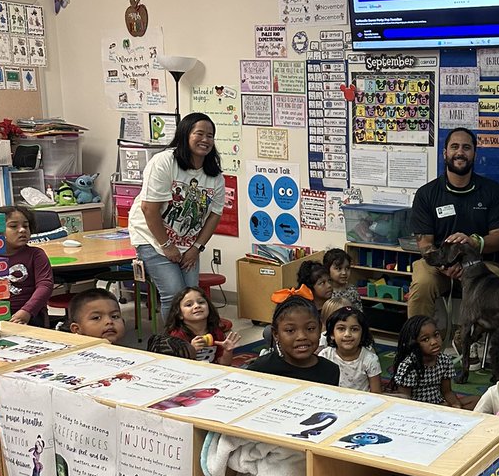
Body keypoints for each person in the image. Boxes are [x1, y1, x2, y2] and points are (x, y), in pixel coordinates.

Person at [128, 113, 225, 319]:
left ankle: (193, 342)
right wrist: (167, 246)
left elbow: (214, 215)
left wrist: (196, 248)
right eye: (199, 133)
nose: (205, 140)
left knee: (192, 297)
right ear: (184, 135)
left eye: (210, 136)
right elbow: (148, 209)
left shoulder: (214, 175)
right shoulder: (164, 161)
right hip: (152, 237)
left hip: (188, 242)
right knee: (174, 295)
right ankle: (174, 346)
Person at [408, 128, 499, 319]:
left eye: (466, 147)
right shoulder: (426, 194)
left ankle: (492, 346)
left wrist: (472, 242)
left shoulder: (492, 190)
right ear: (445, 153)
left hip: (480, 264)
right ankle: (417, 343)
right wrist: (446, 265)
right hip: (438, 265)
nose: (460, 152)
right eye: (454, 147)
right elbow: (425, 244)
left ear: (474, 154)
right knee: (421, 284)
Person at [247, 294, 340, 385]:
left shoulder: (330, 371)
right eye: (290, 330)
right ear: (276, 334)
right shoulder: (262, 368)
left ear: (319, 329)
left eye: (310, 328)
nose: (302, 336)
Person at [390, 315, 461, 407]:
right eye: (426, 339)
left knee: (477, 401)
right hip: (418, 409)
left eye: (436, 335)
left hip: (440, 403)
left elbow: (447, 392)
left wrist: (456, 405)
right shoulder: (408, 366)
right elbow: (405, 401)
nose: (434, 342)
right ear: (414, 344)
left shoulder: (445, 360)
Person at [3, 205, 53, 327]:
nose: (22, 230)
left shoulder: (36, 254)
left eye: (25, 226)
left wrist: (27, 311)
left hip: (30, 315)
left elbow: (45, 285)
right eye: (13, 226)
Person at [164, 287, 240, 365]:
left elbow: (224, 364)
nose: (197, 306)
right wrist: (191, 350)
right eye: (189, 305)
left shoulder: (216, 332)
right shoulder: (177, 335)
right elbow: (175, 365)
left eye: (201, 302)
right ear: (179, 314)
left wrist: (227, 351)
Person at [319, 304, 382, 393]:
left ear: (362, 334)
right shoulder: (325, 355)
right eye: (341, 329)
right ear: (332, 334)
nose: (347, 334)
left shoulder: (370, 360)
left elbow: (377, 394)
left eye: (354, 329)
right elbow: (319, 387)